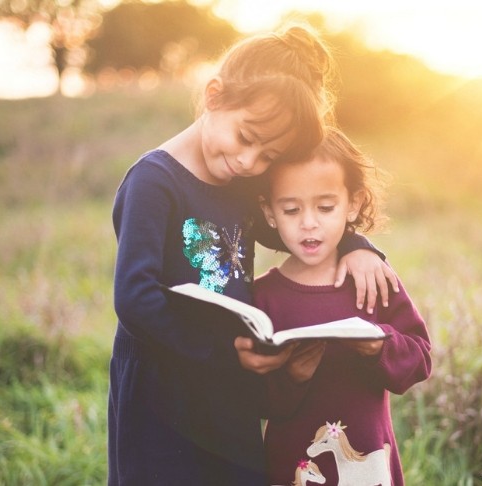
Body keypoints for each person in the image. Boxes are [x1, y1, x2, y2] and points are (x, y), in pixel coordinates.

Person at [109, 26, 399, 485]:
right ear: (214, 96)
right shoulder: (154, 183)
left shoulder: (240, 185)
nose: (249, 163)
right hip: (162, 393)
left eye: (268, 156)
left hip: (229, 391)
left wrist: (358, 246)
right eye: (246, 137)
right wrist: (227, 353)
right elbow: (134, 299)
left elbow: (301, 232)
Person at [255, 127, 432, 486]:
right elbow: (251, 397)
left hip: (367, 463)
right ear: (269, 212)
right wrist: (291, 377)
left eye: (325, 207)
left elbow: (421, 358)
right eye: (291, 209)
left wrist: (380, 345)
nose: (309, 222)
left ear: (353, 204)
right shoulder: (262, 297)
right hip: (292, 464)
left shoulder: (373, 279)